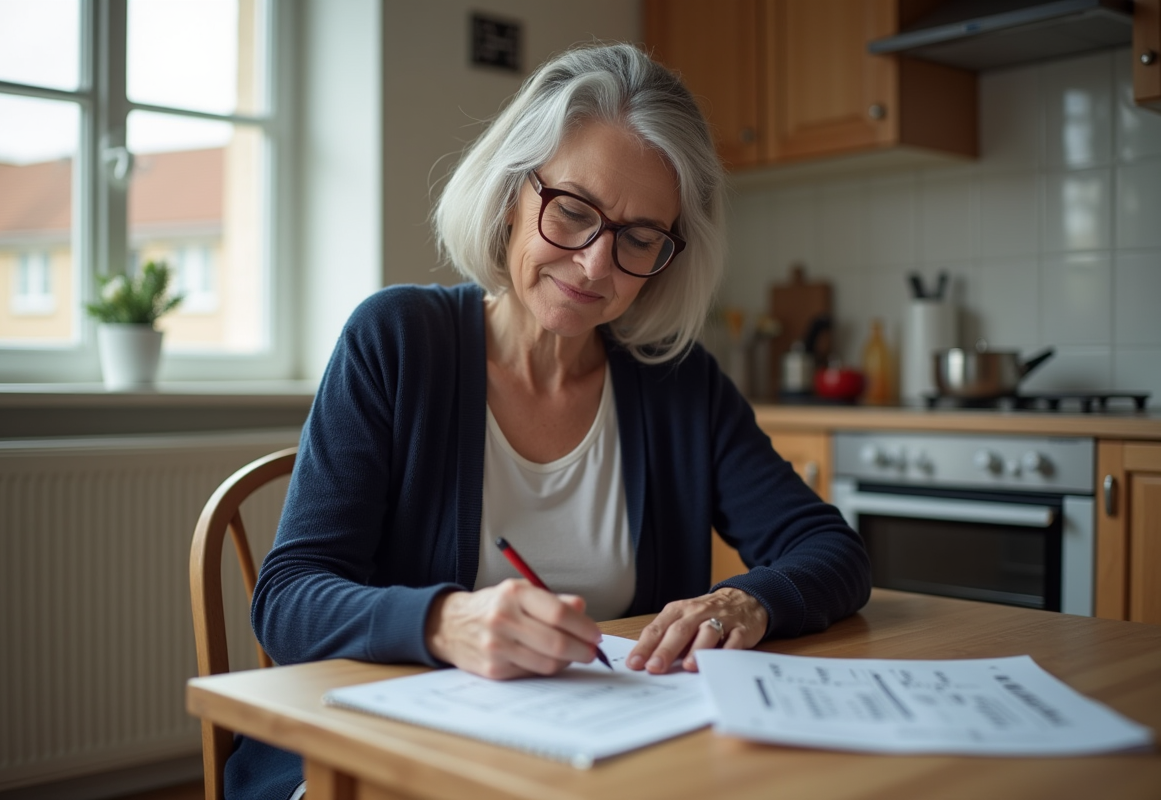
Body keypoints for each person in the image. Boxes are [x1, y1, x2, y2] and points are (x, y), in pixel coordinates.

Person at [224, 41, 870, 800]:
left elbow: (832, 550)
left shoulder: (679, 384)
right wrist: (445, 623)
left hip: (604, 768)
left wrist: (747, 599)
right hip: (384, 761)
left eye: (638, 239)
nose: (597, 265)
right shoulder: (396, 340)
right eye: (572, 212)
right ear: (510, 195)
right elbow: (289, 598)